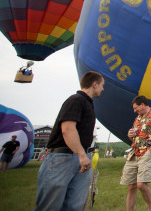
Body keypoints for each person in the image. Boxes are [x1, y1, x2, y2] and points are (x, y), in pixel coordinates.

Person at [34, 71, 105, 211]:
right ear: (94, 84)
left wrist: (84, 155)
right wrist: (81, 155)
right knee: (50, 206)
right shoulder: (76, 100)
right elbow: (68, 129)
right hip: (63, 158)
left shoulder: (88, 104)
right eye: (102, 85)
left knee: (75, 206)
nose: (103, 89)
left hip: (79, 158)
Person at [121, 95, 151, 211]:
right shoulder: (138, 118)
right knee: (131, 186)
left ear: (142, 104)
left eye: (135, 108)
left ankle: (150, 208)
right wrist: (130, 135)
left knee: (141, 184)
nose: (134, 110)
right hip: (134, 153)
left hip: (147, 153)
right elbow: (135, 137)